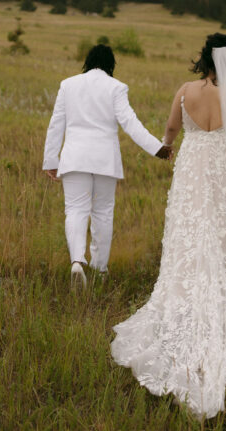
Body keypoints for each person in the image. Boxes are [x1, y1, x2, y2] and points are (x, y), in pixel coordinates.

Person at [110, 33, 226, 418]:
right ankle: (221, 288)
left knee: (190, 229)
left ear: (202, 60)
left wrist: (168, 145)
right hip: (224, 172)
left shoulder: (186, 90)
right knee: (224, 232)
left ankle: (185, 289)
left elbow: (172, 128)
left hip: (192, 169)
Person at [43, 43, 172, 289]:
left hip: (74, 157)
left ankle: (77, 261)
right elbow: (130, 123)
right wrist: (157, 148)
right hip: (104, 159)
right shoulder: (116, 87)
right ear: (111, 64)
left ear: (87, 61)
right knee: (103, 212)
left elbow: (55, 124)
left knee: (75, 210)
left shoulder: (67, 85)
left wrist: (51, 160)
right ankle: (100, 269)